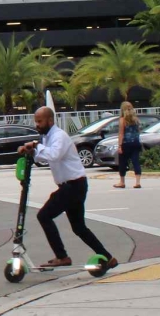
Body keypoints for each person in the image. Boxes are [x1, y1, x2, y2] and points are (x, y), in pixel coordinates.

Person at [20, 106, 117, 272]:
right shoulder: (48, 138)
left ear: (50, 120)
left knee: (44, 216)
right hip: (73, 186)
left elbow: (54, 155)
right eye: (36, 121)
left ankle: (62, 256)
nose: (37, 125)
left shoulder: (59, 136)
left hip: (73, 186)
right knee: (79, 227)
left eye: (40, 121)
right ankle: (107, 257)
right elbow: (45, 156)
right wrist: (32, 151)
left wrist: (36, 146)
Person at [113, 100, 143, 189]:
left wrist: (119, 146)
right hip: (136, 143)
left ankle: (122, 182)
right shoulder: (136, 119)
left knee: (122, 162)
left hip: (126, 144)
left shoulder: (122, 120)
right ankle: (137, 182)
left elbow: (121, 133)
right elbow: (138, 131)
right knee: (136, 162)